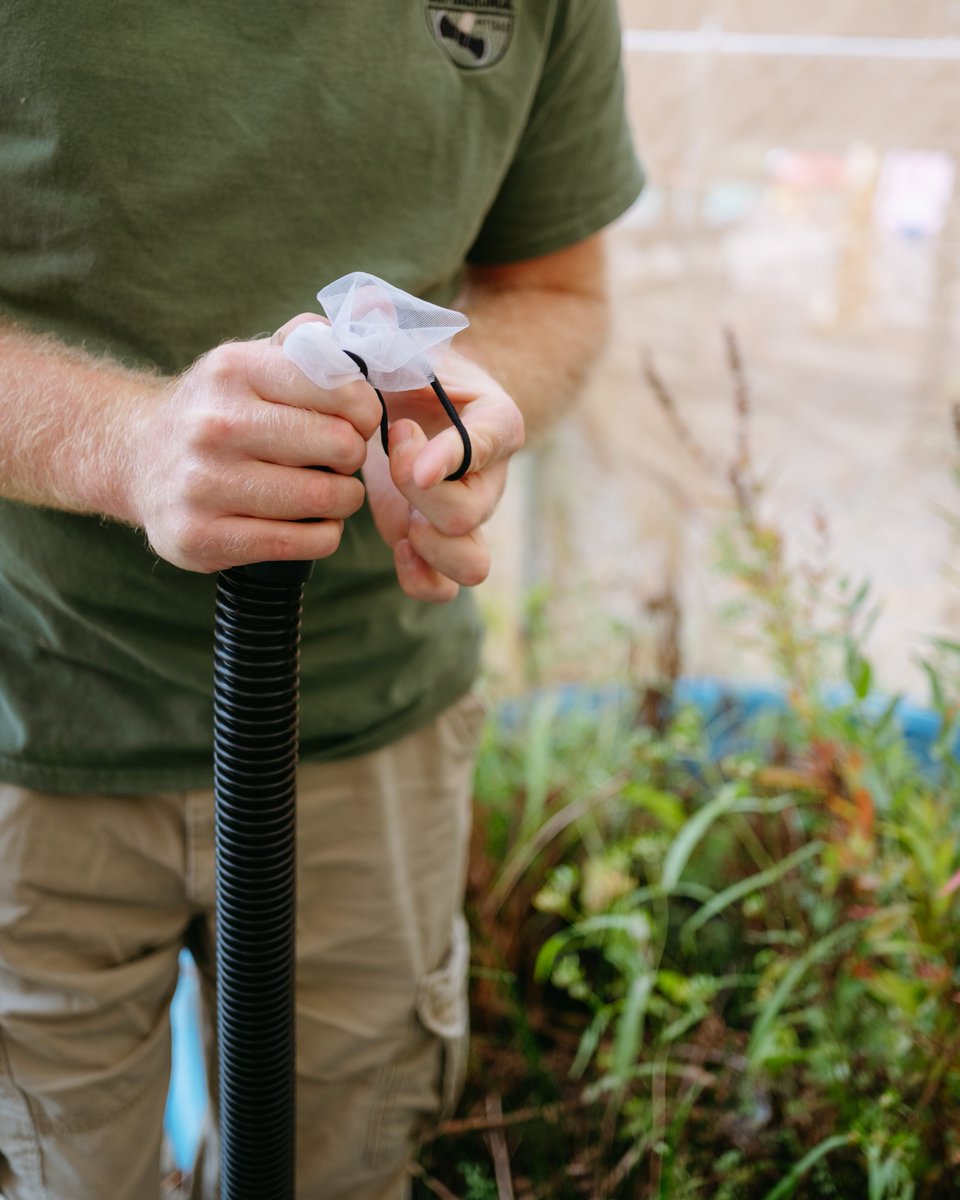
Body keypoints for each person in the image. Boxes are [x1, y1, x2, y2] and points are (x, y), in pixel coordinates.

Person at [0, 2, 643, 1197]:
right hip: (32, 722)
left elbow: (557, 288)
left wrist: (464, 403)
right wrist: (122, 443)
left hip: (367, 729)